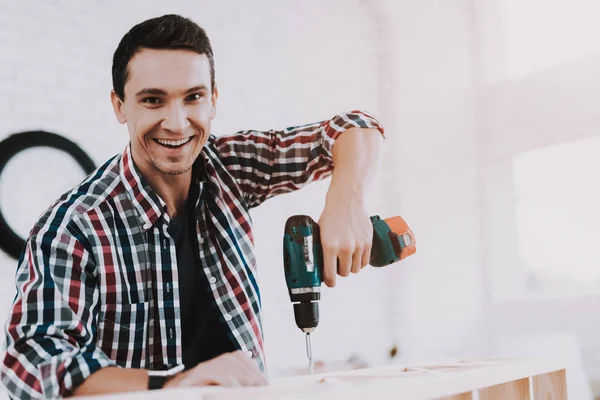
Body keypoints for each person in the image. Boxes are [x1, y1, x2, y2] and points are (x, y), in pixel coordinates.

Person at [1, 14, 384, 399]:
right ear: (119, 106)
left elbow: (354, 126)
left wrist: (346, 200)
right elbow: (30, 365)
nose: (177, 122)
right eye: (153, 100)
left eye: (193, 97)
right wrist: (173, 384)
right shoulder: (74, 227)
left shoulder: (229, 167)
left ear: (213, 100)